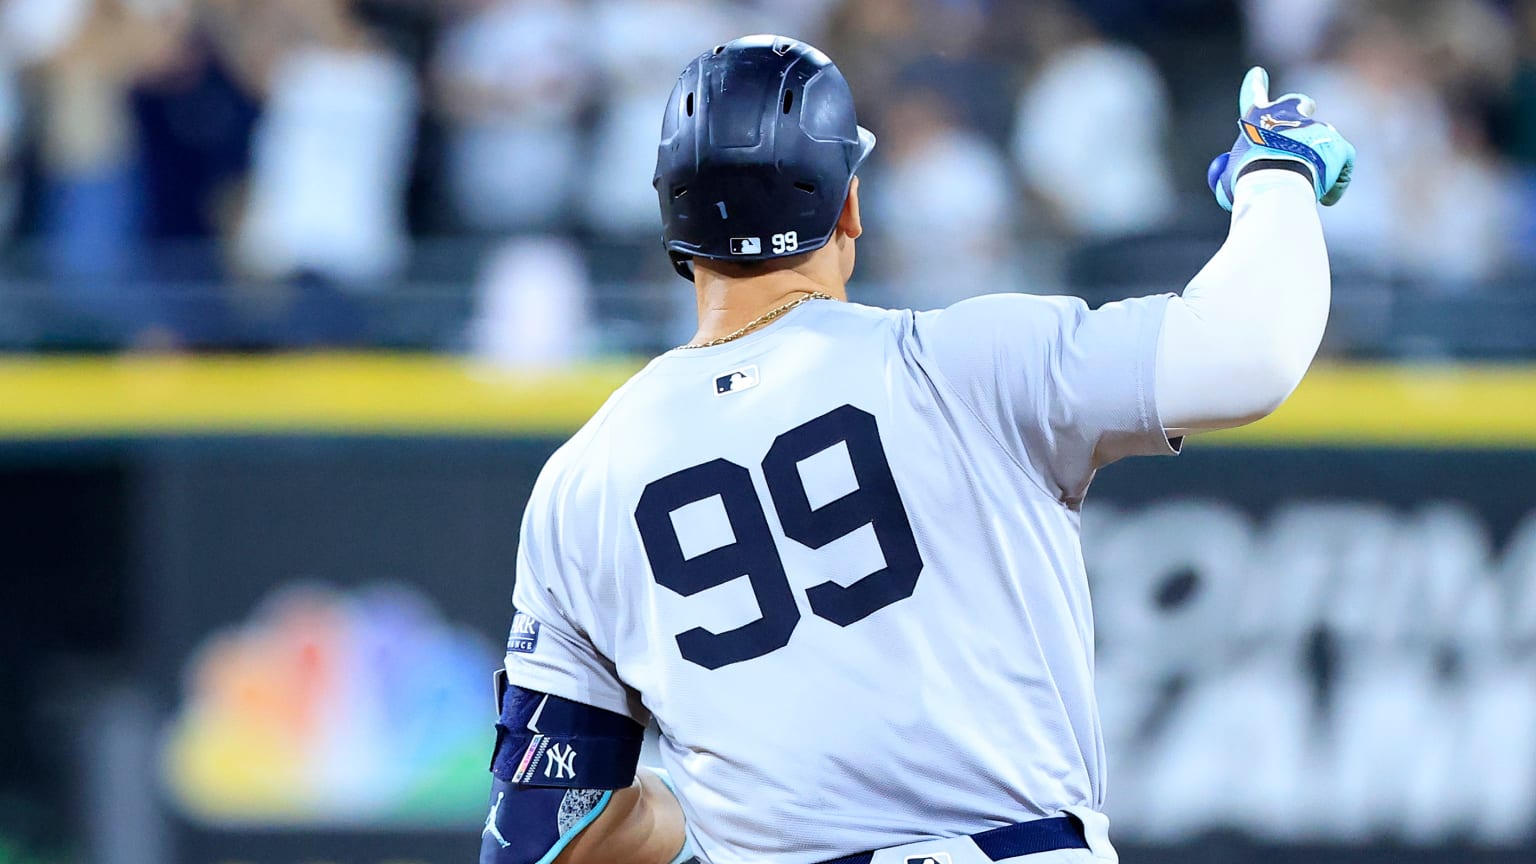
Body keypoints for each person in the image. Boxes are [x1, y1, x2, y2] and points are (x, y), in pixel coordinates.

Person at [480, 35, 1355, 864]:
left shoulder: (578, 484)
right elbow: (1249, 353)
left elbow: (554, 830)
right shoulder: (958, 361)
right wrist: (1276, 169)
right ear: (850, 203)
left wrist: (721, 807)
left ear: (674, 222)